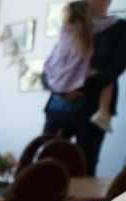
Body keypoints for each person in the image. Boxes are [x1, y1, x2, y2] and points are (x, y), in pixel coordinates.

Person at [43, 0, 126, 174]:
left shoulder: (119, 28)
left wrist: (80, 89)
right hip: (58, 106)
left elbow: (115, 67)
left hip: (94, 108)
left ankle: (81, 195)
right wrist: (58, 90)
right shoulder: (72, 24)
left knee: (85, 164)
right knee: (47, 160)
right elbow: (53, 64)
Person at [44, 2, 115, 133]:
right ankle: (103, 112)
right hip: (60, 101)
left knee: (108, 79)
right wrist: (64, 92)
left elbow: (113, 69)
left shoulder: (68, 31)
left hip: (79, 101)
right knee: (107, 81)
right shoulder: (77, 32)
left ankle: (103, 112)